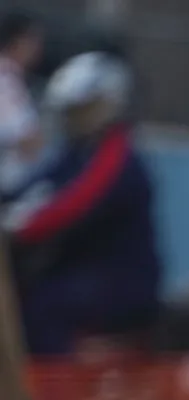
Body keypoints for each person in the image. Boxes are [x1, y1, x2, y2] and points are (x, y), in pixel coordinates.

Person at [2, 52, 160, 357]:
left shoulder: (118, 156)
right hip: (82, 271)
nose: (78, 118)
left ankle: (52, 385)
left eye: (87, 109)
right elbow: (34, 185)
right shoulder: (76, 152)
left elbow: (73, 204)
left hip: (121, 282)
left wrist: (21, 227)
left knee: (42, 307)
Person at [0, 13, 44, 192]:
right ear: (18, 41)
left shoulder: (13, 77)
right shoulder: (4, 78)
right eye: (33, 41)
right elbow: (23, 136)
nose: (38, 48)